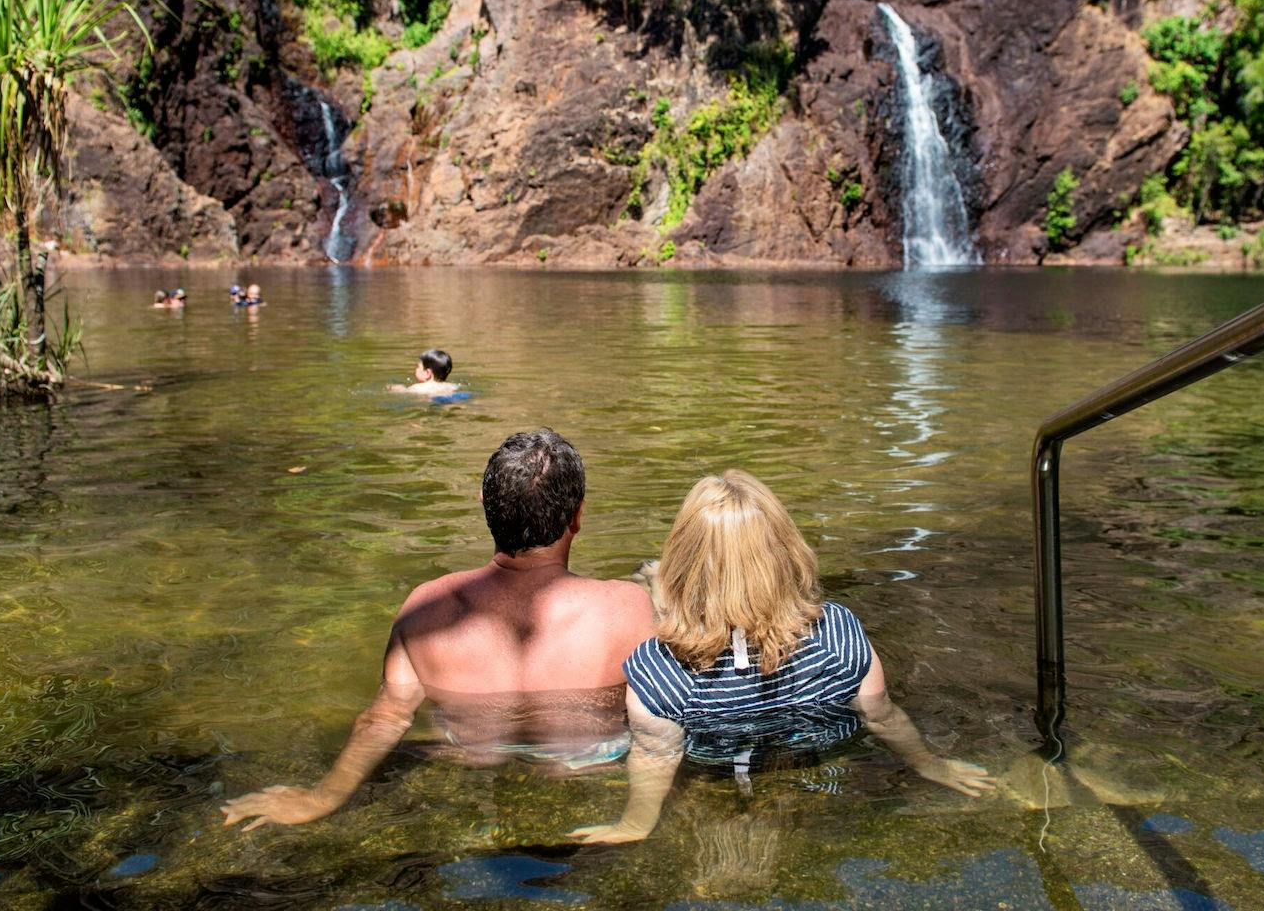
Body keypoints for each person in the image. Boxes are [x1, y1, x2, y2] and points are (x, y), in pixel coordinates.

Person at [221, 429, 655, 830]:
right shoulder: (629, 606)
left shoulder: (426, 607)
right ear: (576, 517)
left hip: (468, 755)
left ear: (485, 505)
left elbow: (386, 716)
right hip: (590, 760)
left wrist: (322, 797)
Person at [569, 470, 994, 845]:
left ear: (683, 563)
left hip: (708, 768)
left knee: (677, 624)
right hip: (812, 756)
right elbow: (880, 716)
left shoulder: (657, 670)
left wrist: (634, 825)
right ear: (787, 552)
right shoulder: (839, 635)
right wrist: (929, 764)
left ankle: (662, 589)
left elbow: (656, 756)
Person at [388, 349, 458, 396]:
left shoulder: (417, 388)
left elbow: (403, 392)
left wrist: (395, 388)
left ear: (427, 373)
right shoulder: (452, 386)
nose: (416, 369)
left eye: (418, 367)